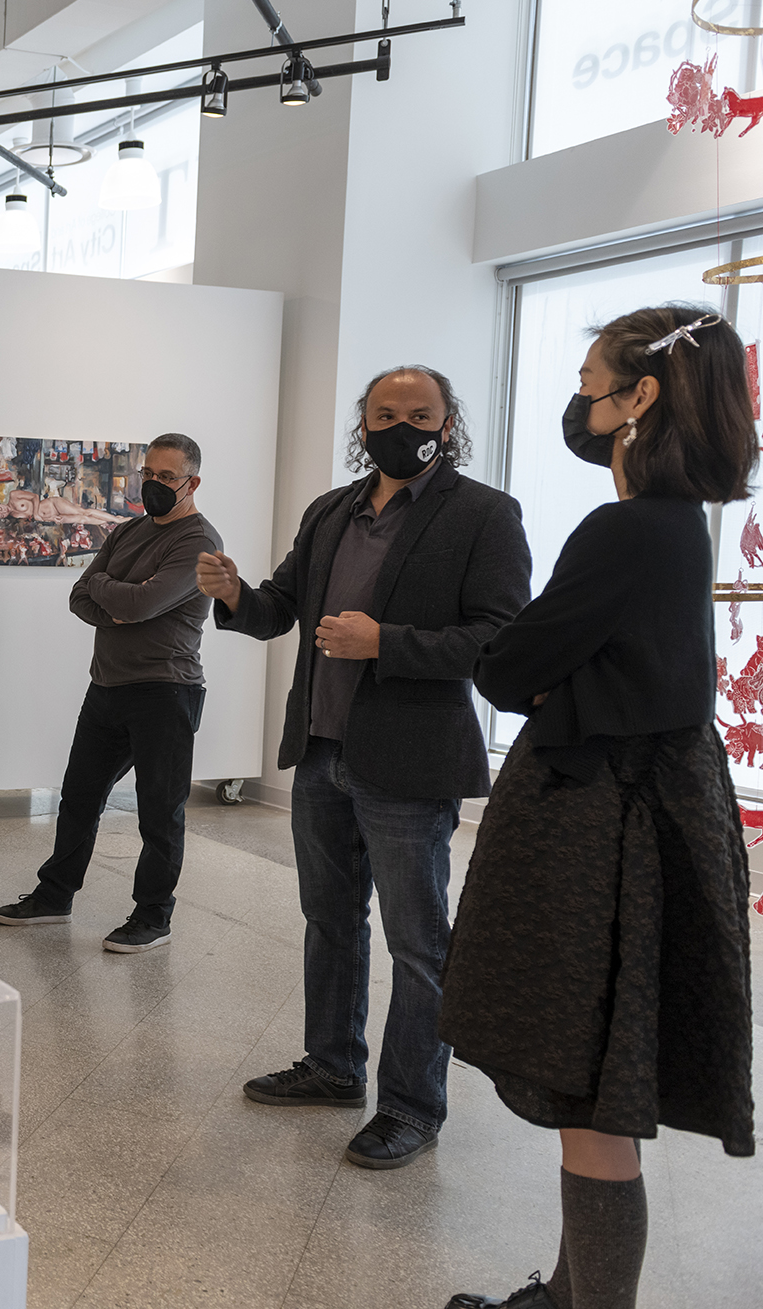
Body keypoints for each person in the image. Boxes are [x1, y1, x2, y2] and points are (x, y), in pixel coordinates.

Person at [440, 308, 756, 1309]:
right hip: (640, 816)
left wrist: (538, 678)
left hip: (600, 837)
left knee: (590, 1101)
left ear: (640, 396)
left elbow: (510, 662)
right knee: (597, 1091)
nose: (578, 402)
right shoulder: (670, 524)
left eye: (588, 381)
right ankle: (565, 1294)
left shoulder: (626, 528)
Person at [196, 366, 531, 1170]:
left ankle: (413, 1104)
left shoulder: (484, 514)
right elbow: (283, 606)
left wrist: (388, 642)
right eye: (385, 412)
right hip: (321, 750)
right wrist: (236, 593)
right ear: (362, 422)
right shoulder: (330, 511)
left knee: (419, 944)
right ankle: (333, 1065)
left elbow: (501, 636)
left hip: (411, 763)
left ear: (447, 424)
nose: (401, 424)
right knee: (331, 920)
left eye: (419, 413)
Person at [0, 434, 222, 953]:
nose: (154, 485)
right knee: (78, 798)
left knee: (160, 813)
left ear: (192, 482)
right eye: (149, 474)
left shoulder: (199, 541)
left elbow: (140, 605)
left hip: (167, 691)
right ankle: (54, 897)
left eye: (167, 477)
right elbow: (79, 592)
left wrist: (118, 598)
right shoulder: (129, 532)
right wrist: (120, 599)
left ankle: (153, 916)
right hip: (107, 686)